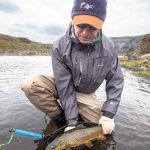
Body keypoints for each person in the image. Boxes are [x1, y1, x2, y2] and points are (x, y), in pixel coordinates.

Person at [21, 0, 124, 135]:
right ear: (73, 20)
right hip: (62, 85)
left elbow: (116, 81)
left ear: (101, 25)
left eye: (92, 27)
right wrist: (71, 122)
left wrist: (108, 114)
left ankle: (76, 116)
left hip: (86, 93)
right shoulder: (59, 46)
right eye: (81, 25)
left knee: (100, 131)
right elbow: (65, 86)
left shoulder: (108, 47)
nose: (86, 32)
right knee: (31, 84)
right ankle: (61, 119)